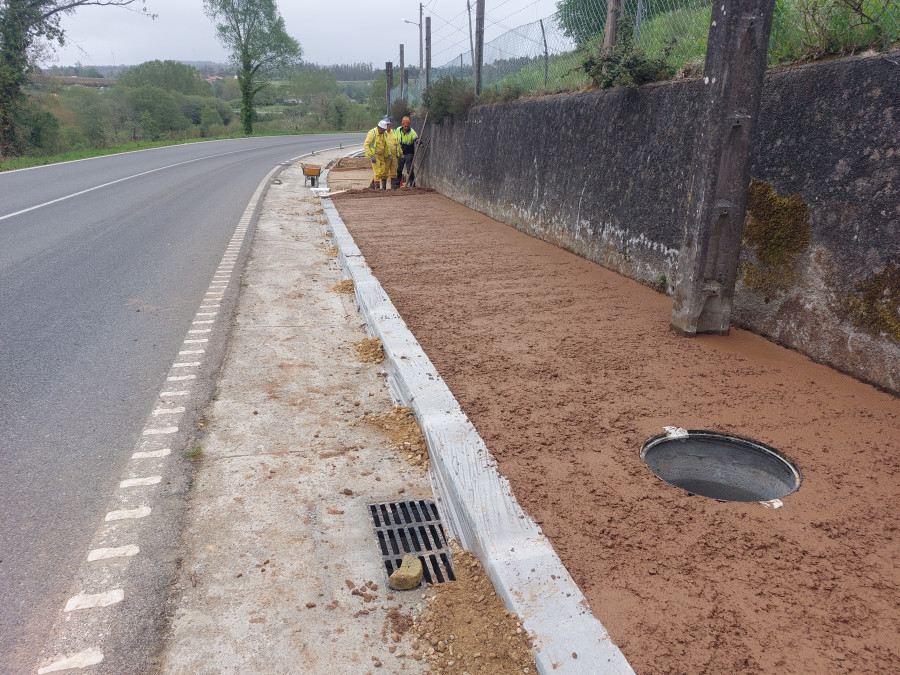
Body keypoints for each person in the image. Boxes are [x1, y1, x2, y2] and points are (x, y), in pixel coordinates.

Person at [364, 119, 391, 189]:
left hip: (381, 156)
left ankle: (372, 184)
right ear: (379, 128)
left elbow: (386, 146)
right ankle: (377, 188)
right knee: (378, 172)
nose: (384, 131)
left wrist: (389, 154)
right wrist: (371, 155)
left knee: (383, 171)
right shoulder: (372, 133)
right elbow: (366, 145)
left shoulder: (383, 134)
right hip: (374, 155)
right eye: (383, 130)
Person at [395, 116, 419, 188]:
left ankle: (412, 185)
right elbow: (395, 139)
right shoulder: (398, 130)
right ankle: (396, 185)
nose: (406, 128)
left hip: (409, 153)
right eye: (405, 126)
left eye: (407, 126)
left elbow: (416, 138)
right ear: (402, 124)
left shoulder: (412, 131)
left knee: (410, 170)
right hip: (400, 153)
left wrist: (419, 142)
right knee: (399, 169)